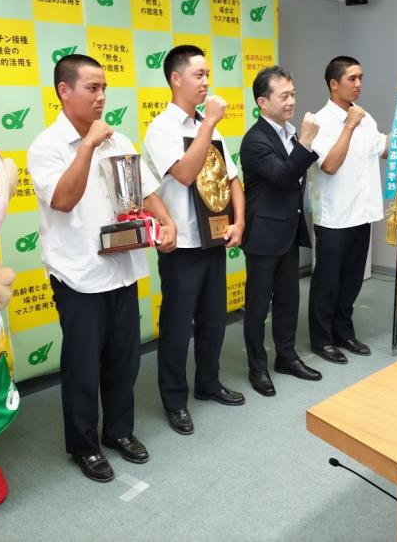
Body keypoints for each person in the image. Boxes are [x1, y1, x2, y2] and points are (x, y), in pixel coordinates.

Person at [27, 54, 177, 483]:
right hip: (78, 275)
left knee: (124, 360)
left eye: (104, 88)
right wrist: (88, 145)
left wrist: (166, 220)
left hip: (122, 268)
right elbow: (63, 199)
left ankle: (119, 431)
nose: (101, 97)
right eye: (92, 88)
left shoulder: (119, 139)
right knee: (83, 367)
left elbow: (145, 191)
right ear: (64, 91)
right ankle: (84, 445)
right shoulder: (47, 146)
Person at [142, 45, 245, 435]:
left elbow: (232, 178)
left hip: (214, 238)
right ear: (176, 79)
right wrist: (209, 124)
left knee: (214, 319)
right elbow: (185, 174)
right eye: (198, 75)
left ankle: (208, 382)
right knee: (176, 324)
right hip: (182, 244)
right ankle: (174, 399)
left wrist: (240, 223)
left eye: (207, 75)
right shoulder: (162, 128)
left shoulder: (207, 124)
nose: (205, 82)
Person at [240, 66, 323, 397]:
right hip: (263, 234)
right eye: (284, 95)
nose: (292, 101)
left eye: (293, 94)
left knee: (289, 299)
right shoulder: (255, 140)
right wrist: (307, 140)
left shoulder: (288, 133)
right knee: (258, 306)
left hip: (288, 230)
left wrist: (301, 140)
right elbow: (285, 176)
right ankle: (257, 367)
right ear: (263, 102)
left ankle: (286, 357)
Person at [308, 56, 389, 364]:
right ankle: (321, 339)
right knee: (327, 282)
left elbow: (384, 149)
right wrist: (350, 125)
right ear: (334, 84)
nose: (358, 85)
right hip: (334, 217)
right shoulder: (320, 122)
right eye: (352, 79)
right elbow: (329, 164)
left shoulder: (365, 118)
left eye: (361, 78)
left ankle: (343, 331)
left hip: (362, 213)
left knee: (353, 280)